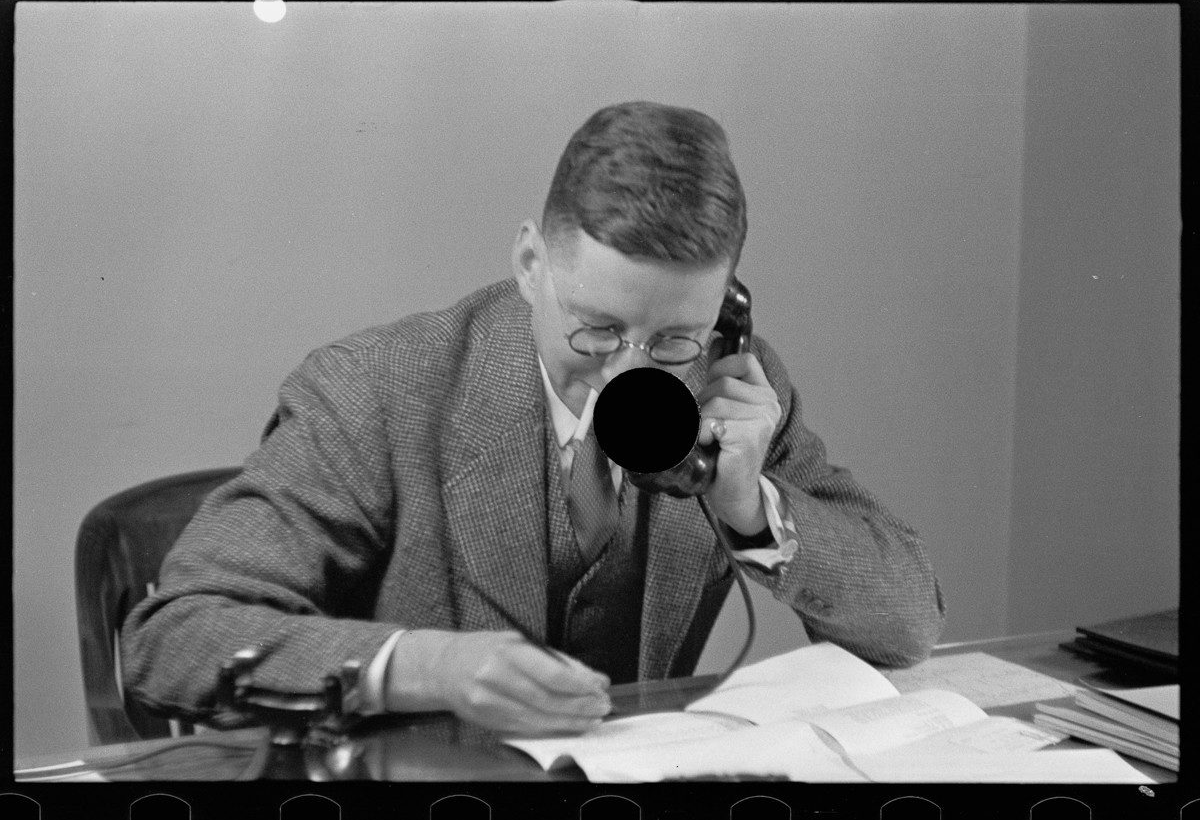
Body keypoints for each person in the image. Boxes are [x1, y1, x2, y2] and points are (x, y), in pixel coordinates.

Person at [122, 101, 946, 737]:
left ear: (723, 309)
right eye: (597, 328)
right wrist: (426, 666)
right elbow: (171, 636)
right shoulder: (374, 389)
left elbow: (909, 623)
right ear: (529, 264)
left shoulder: (735, 388)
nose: (628, 372)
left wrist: (749, 506)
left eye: (673, 339)